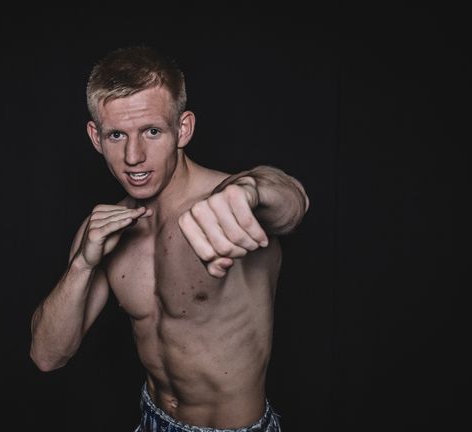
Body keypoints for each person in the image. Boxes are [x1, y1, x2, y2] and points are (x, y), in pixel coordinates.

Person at [30, 45, 309, 432]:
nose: (133, 156)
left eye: (152, 131)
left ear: (183, 129)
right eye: (116, 135)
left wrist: (252, 189)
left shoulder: (230, 204)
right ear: (95, 137)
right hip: (152, 419)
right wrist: (83, 262)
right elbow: (47, 356)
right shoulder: (105, 228)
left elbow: (291, 204)